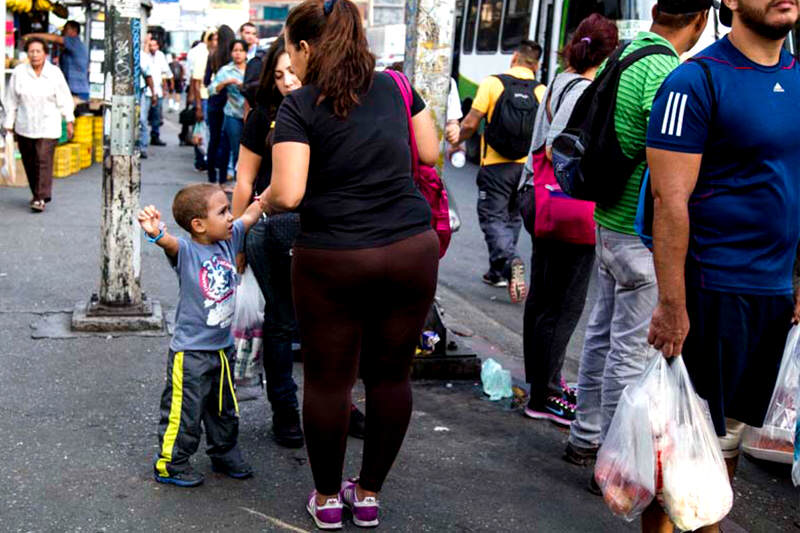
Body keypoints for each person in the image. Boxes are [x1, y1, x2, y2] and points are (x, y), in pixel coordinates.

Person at [260, 0, 440, 527]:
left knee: (328, 382)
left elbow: (290, 193)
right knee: (390, 378)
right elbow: (428, 152)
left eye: (293, 49)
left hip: (334, 258)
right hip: (410, 249)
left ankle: (326, 499)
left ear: (308, 47)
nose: (290, 62)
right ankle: (367, 495)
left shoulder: (300, 106)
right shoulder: (396, 86)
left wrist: (259, 203)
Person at [644, 0, 800, 529]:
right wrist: (671, 304)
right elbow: (669, 200)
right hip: (710, 290)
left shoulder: (799, 77)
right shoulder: (694, 81)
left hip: (774, 292)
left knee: (726, 443)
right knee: (679, 444)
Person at [564, 0, 710, 474]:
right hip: (636, 234)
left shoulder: (625, 53)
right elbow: (667, 155)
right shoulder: (666, 70)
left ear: (654, 10)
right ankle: (615, 463)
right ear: (701, 21)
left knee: (600, 337)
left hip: (606, 221)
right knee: (628, 352)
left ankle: (583, 437)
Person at [521, 15, 618, 427]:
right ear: (609, 53)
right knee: (564, 305)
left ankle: (539, 387)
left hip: (537, 199)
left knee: (543, 299)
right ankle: (546, 394)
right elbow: (558, 144)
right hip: (566, 207)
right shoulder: (585, 89)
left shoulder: (560, 80)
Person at [140, 183, 263, 488]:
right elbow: (166, 242)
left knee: (224, 409)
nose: (230, 216)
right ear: (198, 224)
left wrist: (270, 192)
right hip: (191, 354)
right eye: (222, 211)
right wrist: (154, 232)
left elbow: (250, 214)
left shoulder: (228, 238)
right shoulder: (187, 250)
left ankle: (224, 453)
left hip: (222, 348)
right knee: (185, 413)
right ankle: (171, 463)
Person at [232, 37, 305, 447]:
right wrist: (237, 240)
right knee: (279, 324)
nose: (287, 81)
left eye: (291, 72)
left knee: (327, 326)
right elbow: (244, 179)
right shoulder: (262, 116)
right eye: (278, 76)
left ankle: (338, 408)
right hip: (267, 227)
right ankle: (285, 413)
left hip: (321, 230)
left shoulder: (322, 110)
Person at [454, 40, 546, 303]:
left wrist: (456, 141)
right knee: (513, 218)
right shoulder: (542, 91)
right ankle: (497, 273)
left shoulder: (492, 84)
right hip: (524, 168)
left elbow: (471, 122)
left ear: (514, 57)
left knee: (493, 218)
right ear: (536, 64)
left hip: (495, 166)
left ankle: (508, 261)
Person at [3, 37, 74, 212]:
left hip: (48, 125)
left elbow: (64, 98)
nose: (34, 55)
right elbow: (11, 100)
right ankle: (36, 193)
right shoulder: (19, 73)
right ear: (27, 54)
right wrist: (8, 123)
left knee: (43, 159)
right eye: (31, 51)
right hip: (25, 125)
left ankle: (41, 197)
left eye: (38, 51)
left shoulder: (54, 73)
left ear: (45, 54)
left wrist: (69, 119)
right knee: (30, 161)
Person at [208, 39, 249, 188]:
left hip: (250, 114)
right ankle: (237, 183)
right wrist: (225, 83)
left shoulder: (252, 67)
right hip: (232, 113)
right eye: (235, 50)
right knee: (236, 149)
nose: (237, 54)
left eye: (240, 50)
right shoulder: (226, 70)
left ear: (246, 53)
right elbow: (211, 89)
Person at [23, 20, 89, 105]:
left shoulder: (74, 42)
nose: (63, 31)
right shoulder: (72, 46)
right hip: (73, 91)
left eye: (66, 29)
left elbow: (55, 38)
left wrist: (31, 36)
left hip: (77, 93)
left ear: (74, 31)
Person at [205, 25, 235, 186]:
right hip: (229, 103)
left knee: (213, 141)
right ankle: (222, 180)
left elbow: (205, 81)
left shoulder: (213, 55)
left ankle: (211, 178)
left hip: (214, 102)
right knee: (226, 143)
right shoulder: (233, 58)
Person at [140, 34, 173, 148]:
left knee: (157, 115)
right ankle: (142, 142)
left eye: (154, 45)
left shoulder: (160, 56)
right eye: (150, 45)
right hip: (147, 91)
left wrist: (166, 89)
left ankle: (155, 135)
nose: (152, 48)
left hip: (158, 89)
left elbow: (165, 72)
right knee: (143, 117)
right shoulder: (144, 56)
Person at [188, 31, 215, 171]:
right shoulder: (203, 56)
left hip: (214, 99)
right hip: (204, 98)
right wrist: (198, 105)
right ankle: (200, 160)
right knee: (201, 130)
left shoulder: (218, 57)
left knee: (210, 132)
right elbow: (196, 81)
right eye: (214, 39)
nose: (217, 42)